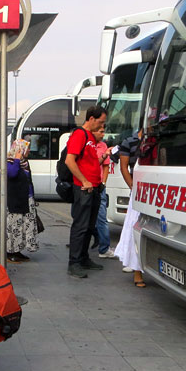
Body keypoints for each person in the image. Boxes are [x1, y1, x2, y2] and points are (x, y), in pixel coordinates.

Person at [64, 106, 111, 278]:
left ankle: (83, 258)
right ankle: (74, 262)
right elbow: (70, 160)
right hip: (84, 188)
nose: (102, 126)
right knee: (81, 226)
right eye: (100, 122)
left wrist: (104, 157)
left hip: (95, 188)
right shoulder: (80, 135)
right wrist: (84, 180)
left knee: (90, 226)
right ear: (91, 119)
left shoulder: (91, 138)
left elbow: (91, 162)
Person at [114, 130, 146, 287]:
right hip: (138, 190)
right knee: (135, 227)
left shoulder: (159, 140)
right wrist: (133, 187)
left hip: (156, 189)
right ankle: (136, 270)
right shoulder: (129, 142)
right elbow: (124, 167)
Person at [6, 139, 39, 263]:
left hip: (26, 199)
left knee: (24, 226)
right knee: (15, 226)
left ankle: (18, 250)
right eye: (27, 148)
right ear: (20, 149)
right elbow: (12, 174)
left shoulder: (24, 162)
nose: (29, 151)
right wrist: (17, 159)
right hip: (15, 200)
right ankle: (10, 252)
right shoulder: (10, 161)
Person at [92, 127, 115, 259]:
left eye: (103, 131)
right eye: (100, 131)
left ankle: (104, 248)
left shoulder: (103, 145)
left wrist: (104, 182)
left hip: (99, 186)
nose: (103, 134)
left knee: (101, 218)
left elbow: (105, 166)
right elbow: (92, 164)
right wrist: (104, 155)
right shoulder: (87, 145)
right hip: (87, 186)